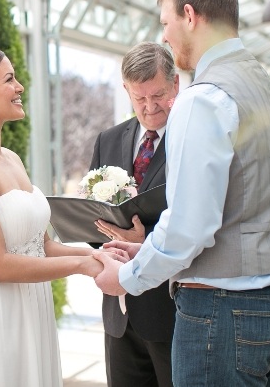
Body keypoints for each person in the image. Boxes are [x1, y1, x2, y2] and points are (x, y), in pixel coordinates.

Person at [92, 0, 270, 387]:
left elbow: (191, 224)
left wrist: (126, 278)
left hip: (225, 311)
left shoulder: (205, 97)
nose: (166, 37)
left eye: (166, 23)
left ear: (189, 16)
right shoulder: (262, 86)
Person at [0, 45, 103, 387]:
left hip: (32, 314)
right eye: (9, 80)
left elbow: (43, 247)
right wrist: (83, 266)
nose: (20, 87)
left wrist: (96, 254)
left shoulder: (10, 158)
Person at [87, 41, 178, 387]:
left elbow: (199, 220)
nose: (149, 108)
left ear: (174, 86)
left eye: (157, 96)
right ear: (125, 89)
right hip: (119, 316)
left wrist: (146, 241)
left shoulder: (190, 138)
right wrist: (112, 238)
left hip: (171, 314)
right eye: (139, 98)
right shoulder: (108, 140)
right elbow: (93, 214)